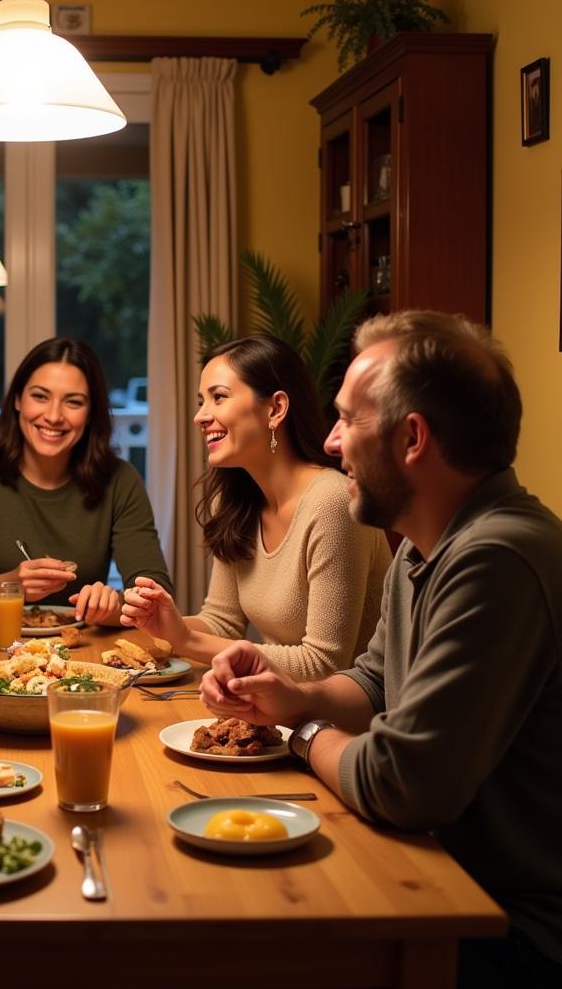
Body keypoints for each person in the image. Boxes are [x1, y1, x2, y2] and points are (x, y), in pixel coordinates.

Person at [200, 312, 562, 987]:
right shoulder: (425, 548)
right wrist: (293, 695)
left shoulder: (498, 558)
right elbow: (370, 685)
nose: (332, 442)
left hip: (505, 924)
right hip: (433, 872)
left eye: (348, 420)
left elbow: (401, 782)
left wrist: (301, 731)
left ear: (413, 438)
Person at [121, 335, 390, 679]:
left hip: (344, 724)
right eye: (201, 401)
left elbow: (323, 666)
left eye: (218, 397)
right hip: (278, 706)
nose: (200, 417)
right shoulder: (236, 501)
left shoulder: (333, 503)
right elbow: (222, 622)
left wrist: (185, 639)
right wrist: (162, 624)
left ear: (275, 409)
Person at [0, 337, 172, 624]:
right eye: (40, 396)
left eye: (73, 402)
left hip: (84, 659)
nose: (53, 416)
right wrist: (7, 587)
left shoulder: (120, 480)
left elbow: (156, 596)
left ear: (90, 414)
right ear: (17, 400)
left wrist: (111, 605)